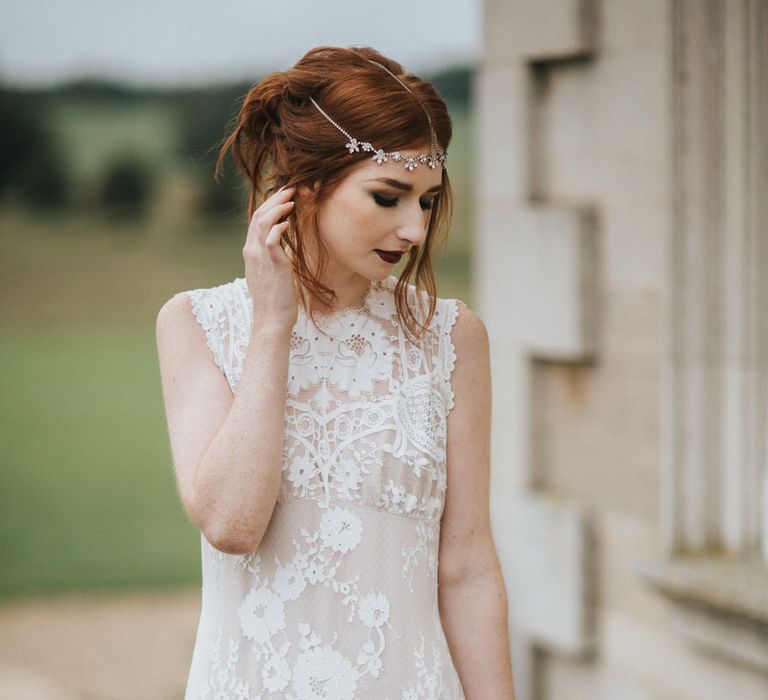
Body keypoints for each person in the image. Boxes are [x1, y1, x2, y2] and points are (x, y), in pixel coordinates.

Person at [156, 45, 516, 699]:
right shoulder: (196, 326)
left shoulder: (452, 338)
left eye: (428, 201)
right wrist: (272, 326)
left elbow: (467, 568)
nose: (414, 229)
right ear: (308, 185)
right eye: (388, 196)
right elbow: (232, 526)